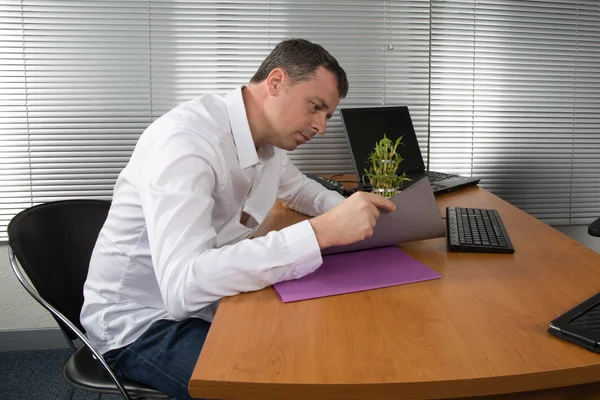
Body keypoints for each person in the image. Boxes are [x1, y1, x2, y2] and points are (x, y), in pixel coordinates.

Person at [81, 38, 396, 399]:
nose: (321, 126)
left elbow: (297, 190)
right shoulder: (186, 142)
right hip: (144, 323)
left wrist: (343, 207)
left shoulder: (266, 140)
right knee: (279, 386)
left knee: (320, 348)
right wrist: (319, 233)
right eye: (315, 107)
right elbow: (182, 288)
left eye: (326, 115)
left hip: (213, 300)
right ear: (276, 82)